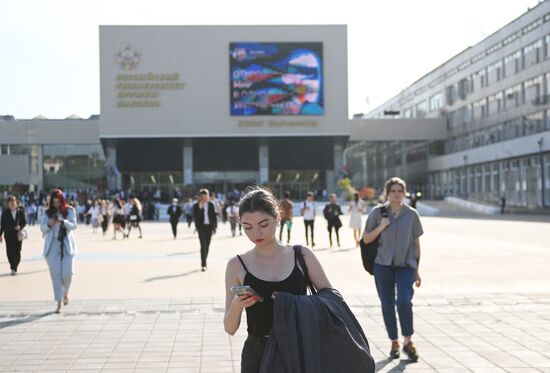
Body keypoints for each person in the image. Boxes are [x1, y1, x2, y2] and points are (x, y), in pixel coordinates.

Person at [223, 187, 332, 373]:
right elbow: (230, 328)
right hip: (258, 353)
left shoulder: (302, 255)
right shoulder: (236, 264)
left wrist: (289, 302)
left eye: (263, 224)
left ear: (278, 218)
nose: (255, 233)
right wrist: (236, 304)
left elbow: (330, 302)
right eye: (247, 227)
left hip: (299, 348)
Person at [363, 177, 423, 362]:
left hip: (406, 266)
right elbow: (366, 239)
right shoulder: (377, 213)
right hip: (383, 266)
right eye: (393, 191)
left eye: (400, 191)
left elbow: (416, 243)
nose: (397, 194)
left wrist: (417, 270)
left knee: (404, 301)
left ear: (404, 193)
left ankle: (408, 340)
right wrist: (381, 226)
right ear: (387, 193)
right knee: (387, 304)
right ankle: (394, 342)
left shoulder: (412, 214)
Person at [40, 189, 78, 314]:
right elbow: (42, 228)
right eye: (54, 202)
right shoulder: (47, 213)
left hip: (66, 244)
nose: (56, 204)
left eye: (58, 202)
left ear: (62, 201)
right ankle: (58, 302)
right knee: (55, 274)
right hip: (52, 246)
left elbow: (74, 225)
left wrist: (63, 221)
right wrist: (50, 223)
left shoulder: (69, 210)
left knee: (68, 272)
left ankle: (65, 293)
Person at [0, 196, 26, 275]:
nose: (12, 203)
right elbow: (2, 224)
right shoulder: (5, 213)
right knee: (9, 252)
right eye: (10, 202)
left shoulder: (20, 211)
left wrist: (20, 227)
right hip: (8, 236)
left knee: (17, 252)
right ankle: (13, 267)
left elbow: (24, 222)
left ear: (16, 202)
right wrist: (0, 234)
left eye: (13, 202)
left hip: (17, 236)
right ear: (8, 204)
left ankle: (15, 266)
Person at [193, 189, 217, 271]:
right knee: (203, 245)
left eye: (206, 196)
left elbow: (214, 217)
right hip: (201, 228)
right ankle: (203, 264)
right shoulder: (196, 206)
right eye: (203, 197)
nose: (205, 198)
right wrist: (200, 208)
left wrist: (215, 227)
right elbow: (196, 218)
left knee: (207, 246)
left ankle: (204, 259)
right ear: (200, 197)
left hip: (209, 228)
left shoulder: (211, 205)